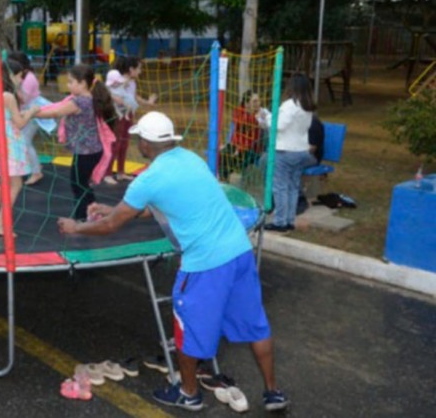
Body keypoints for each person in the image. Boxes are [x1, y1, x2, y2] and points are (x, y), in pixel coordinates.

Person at [58, 111, 289, 412]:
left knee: (188, 329)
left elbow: (112, 226)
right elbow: (158, 204)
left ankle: (189, 394)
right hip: (239, 252)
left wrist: (77, 227)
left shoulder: (149, 178)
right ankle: (273, 393)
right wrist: (111, 209)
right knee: (256, 326)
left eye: (139, 138)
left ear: (146, 143)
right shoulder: (190, 158)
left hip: (205, 264)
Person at [32, 64, 117, 220]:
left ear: (83, 83)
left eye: (71, 82)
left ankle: (82, 217)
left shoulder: (79, 102)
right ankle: (93, 212)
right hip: (91, 151)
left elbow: (56, 112)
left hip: (87, 152)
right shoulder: (88, 99)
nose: (68, 85)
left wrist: (32, 113)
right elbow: (57, 107)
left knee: (78, 185)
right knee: (82, 184)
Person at [0, 59, 33, 236]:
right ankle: (1, 225)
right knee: (15, 184)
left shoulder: (1, 93)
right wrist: (32, 113)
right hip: (9, 144)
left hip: (2, 141)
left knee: (5, 183)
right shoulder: (8, 96)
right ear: (11, 75)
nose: (21, 80)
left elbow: (12, 117)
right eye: (19, 76)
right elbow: (19, 124)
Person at [268, 74, 316, 231]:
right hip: (301, 151)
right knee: (293, 187)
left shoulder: (290, 105)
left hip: (285, 150)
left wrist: (266, 117)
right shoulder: (307, 106)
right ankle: (289, 220)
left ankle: (280, 222)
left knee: (280, 187)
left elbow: (279, 125)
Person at [105, 56, 157, 185]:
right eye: (138, 68)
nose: (140, 71)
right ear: (130, 69)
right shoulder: (118, 81)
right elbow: (109, 92)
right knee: (115, 144)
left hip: (129, 116)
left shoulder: (132, 83)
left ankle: (121, 172)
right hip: (118, 116)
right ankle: (107, 173)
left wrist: (148, 102)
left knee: (124, 144)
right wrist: (119, 100)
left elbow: (135, 97)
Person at [219, 90, 272, 182]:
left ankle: (227, 178)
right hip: (237, 146)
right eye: (254, 101)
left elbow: (270, 122)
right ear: (246, 104)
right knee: (223, 153)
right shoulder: (239, 112)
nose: (258, 103)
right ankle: (223, 181)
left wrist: (260, 119)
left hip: (253, 150)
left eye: (259, 100)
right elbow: (243, 122)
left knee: (235, 158)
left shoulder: (264, 112)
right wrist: (255, 118)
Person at [8, 52, 44, 185]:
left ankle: (36, 172)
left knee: (25, 141)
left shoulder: (29, 78)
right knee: (21, 140)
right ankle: (33, 166)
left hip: (32, 112)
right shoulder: (23, 76)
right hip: (26, 111)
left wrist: (15, 86)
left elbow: (24, 99)